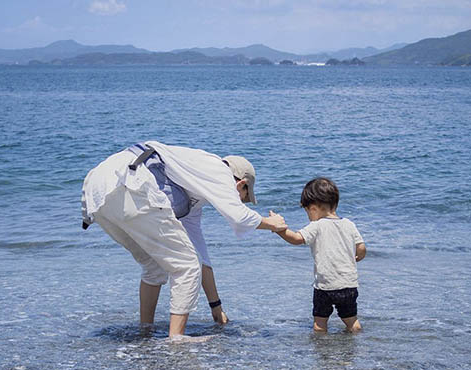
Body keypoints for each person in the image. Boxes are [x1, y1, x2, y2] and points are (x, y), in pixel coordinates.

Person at [81, 141, 286, 338]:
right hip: (131, 181)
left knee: (155, 265)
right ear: (241, 183)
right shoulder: (219, 171)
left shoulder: (192, 193)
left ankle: (145, 330)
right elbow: (239, 216)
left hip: (100, 191)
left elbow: (202, 256)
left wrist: (216, 309)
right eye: (244, 196)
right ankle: (176, 338)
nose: (241, 200)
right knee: (187, 266)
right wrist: (272, 223)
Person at [274, 177, 366, 332]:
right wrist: (357, 257)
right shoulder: (349, 224)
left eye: (307, 211)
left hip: (325, 286)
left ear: (314, 208)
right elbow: (361, 248)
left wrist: (279, 230)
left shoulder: (317, 226)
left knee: (319, 324)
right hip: (349, 285)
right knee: (352, 321)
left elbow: (297, 239)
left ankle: (323, 352)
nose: (308, 216)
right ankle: (353, 349)